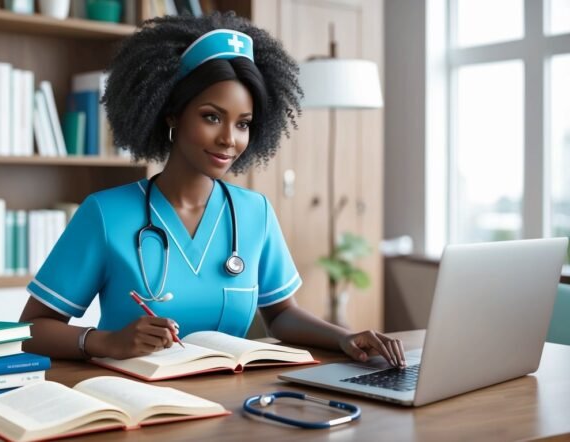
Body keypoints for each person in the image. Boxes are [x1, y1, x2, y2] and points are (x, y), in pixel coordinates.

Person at [20, 12, 406, 368]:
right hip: (137, 401)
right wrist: (107, 341)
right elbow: (31, 331)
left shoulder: (255, 213)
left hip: (232, 402)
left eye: (243, 124)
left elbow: (281, 315)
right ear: (172, 115)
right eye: (211, 117)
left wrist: (343, 338)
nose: (229, 139)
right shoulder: (105, 214)